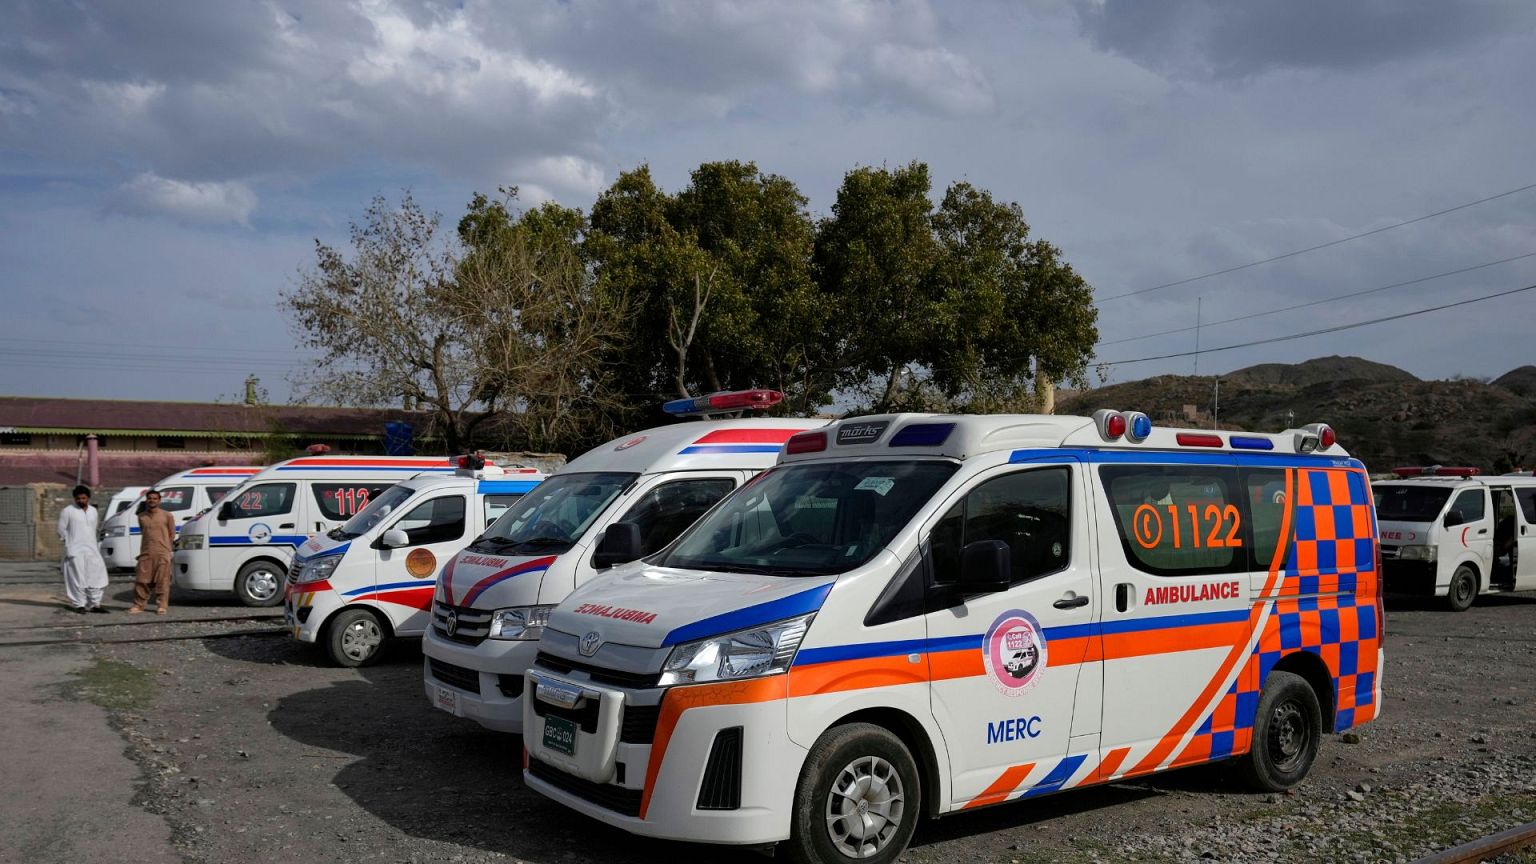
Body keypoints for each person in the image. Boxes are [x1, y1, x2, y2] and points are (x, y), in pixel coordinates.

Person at [57, 484, 109, 613]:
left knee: (97, 576)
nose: (81, 501)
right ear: (74, 499)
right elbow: (60, 530)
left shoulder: (93, 511)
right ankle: (79, 604)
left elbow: (93, 528)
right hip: (75, 551)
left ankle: (95, 604)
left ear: (88, 498)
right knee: (77, 579)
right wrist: (70, 544)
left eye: (84, 498)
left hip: (92, 549)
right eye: (78, 498)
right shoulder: (67, 511)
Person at [129, 488, 176, 615]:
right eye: (149, 498)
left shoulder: (167, 515)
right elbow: (143, 532)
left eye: (155, 498)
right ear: (146, 500)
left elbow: (172, 534)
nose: (152, 501)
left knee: (163, 581)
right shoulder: (141, 517)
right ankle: (139, 605)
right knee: (141, 580)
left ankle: (162, 606)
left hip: (162, 552)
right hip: (146, 552)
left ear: (159, 500)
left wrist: (167, 549)